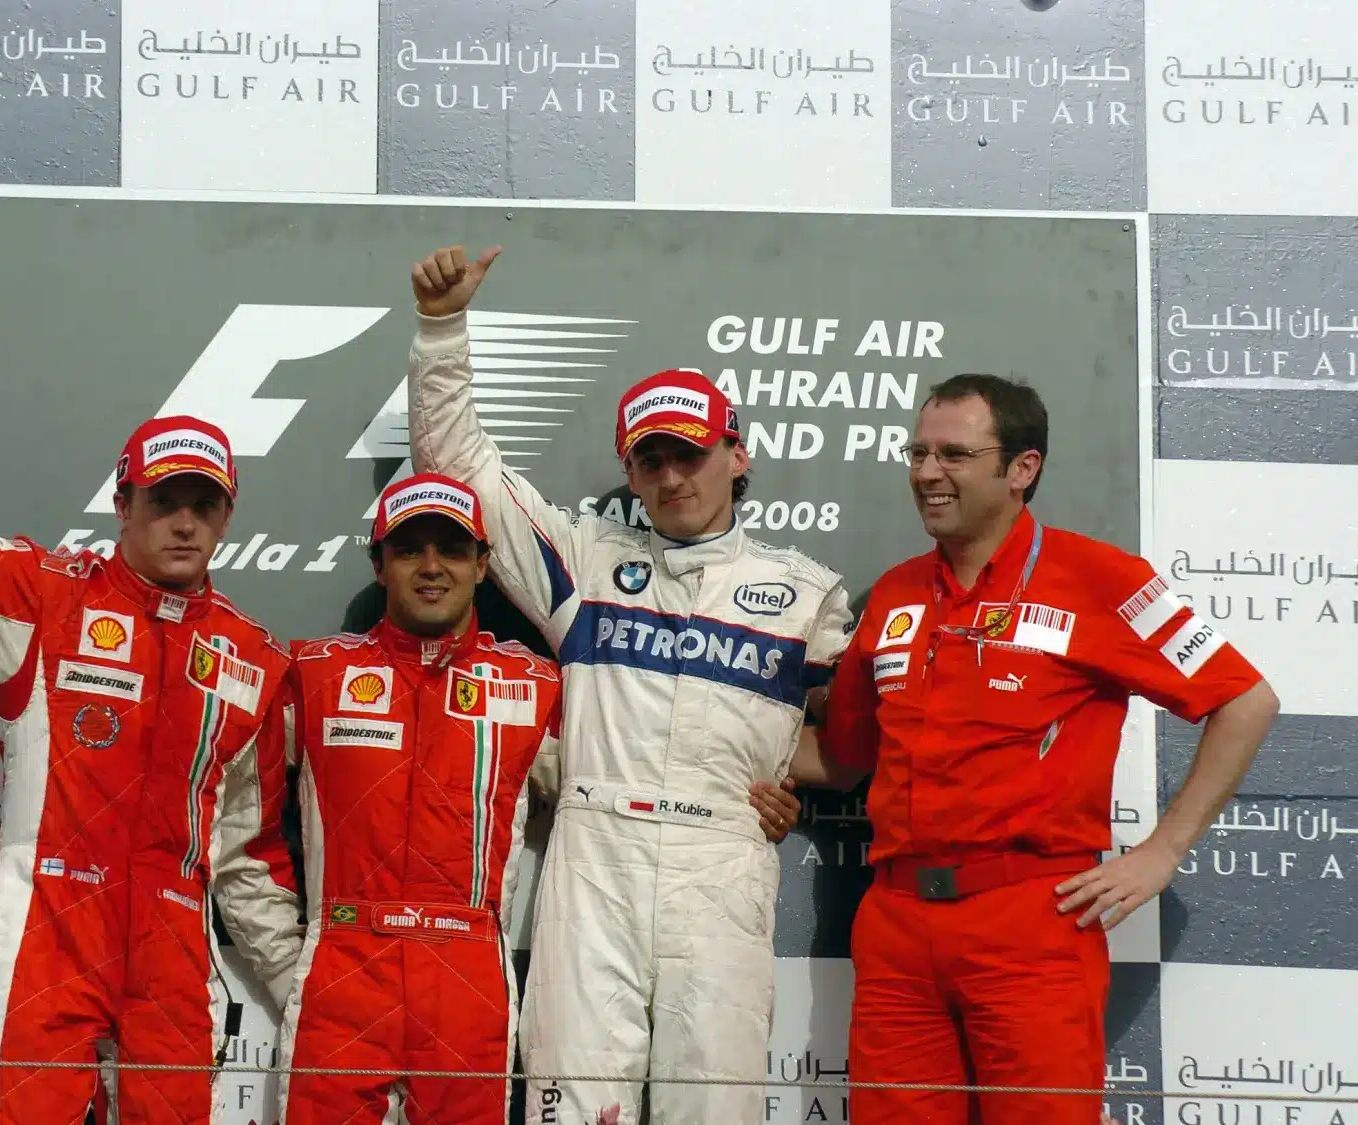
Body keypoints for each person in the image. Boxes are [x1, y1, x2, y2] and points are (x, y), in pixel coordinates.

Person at [0, 255, 304, 1125]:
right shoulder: (45, 599)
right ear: (123, 505)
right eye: (164, 500)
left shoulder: (254, 662)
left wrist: (313, 994)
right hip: (47, 934)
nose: (184, 521)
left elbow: (247, 858)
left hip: (173, 955)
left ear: (227, 516)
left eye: (204, 504)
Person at [402, 244, 853, 1125]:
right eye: (651, 460)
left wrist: (774, 773)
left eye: (691, 453)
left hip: (720, 859)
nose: (672, 476)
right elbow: (459, 468)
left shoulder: (807, 594)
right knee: (570, 1105)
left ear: (738, 455)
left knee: (711, 1111)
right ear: (631, 471)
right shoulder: (586, 561)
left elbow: (856, 743)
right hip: (594, 850)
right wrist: (441, 329)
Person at [791, 373, 1280, 1125]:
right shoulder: (892, 595)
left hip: (1032, 919)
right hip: (895, 923)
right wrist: (703, 747)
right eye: (918, 453)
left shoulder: (1104, 579)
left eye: (954, 454)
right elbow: (843, 757)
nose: (927, 472)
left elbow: (1246, 700)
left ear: (1022, 467)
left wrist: (1163, 850)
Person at [218, 471, 563, 1124]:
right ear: (379, 565)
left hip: (467, 977)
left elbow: (616, 794)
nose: (432, 566)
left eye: (452, 549)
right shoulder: (314, 674)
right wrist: (293, 962)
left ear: (482, 565)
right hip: (343, 963)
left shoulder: (534, 687)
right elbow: (234, 821)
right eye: (409, 549)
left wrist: (751, 790)